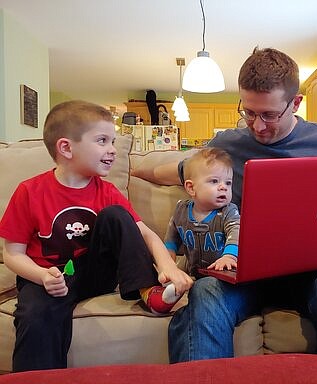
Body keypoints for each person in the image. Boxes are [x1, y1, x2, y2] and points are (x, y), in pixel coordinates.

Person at [140, 47, 317, 362]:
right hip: (244, 272)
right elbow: (179, 171)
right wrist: (123, 168)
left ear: (296, 103)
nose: (257, 125)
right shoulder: (226, 144)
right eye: (248, 112)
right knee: (206, 291)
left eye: (269, 114)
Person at [0, 100, 193, 372]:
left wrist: (168, 267)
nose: (112, 150)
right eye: (102, 141)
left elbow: (146, 235)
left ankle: (149, 291)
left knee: (116, 214)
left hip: (95, 272)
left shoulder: (107, 191)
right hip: (47, 277)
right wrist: (42, 276)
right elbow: (12, 253)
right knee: (34, 315)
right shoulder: (29, 192)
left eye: (113, 141)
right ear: (66, 147)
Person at [164, 147, 240, 280]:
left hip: (221, 273)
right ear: (191, 188)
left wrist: (229, 256)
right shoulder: (181, 209)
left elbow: (236, 232)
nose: (223, 187)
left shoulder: (229, 211)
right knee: (168, 277)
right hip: (191, 271)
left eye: (228, 183)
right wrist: (168, 256)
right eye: (214, 181)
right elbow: (172, 236)